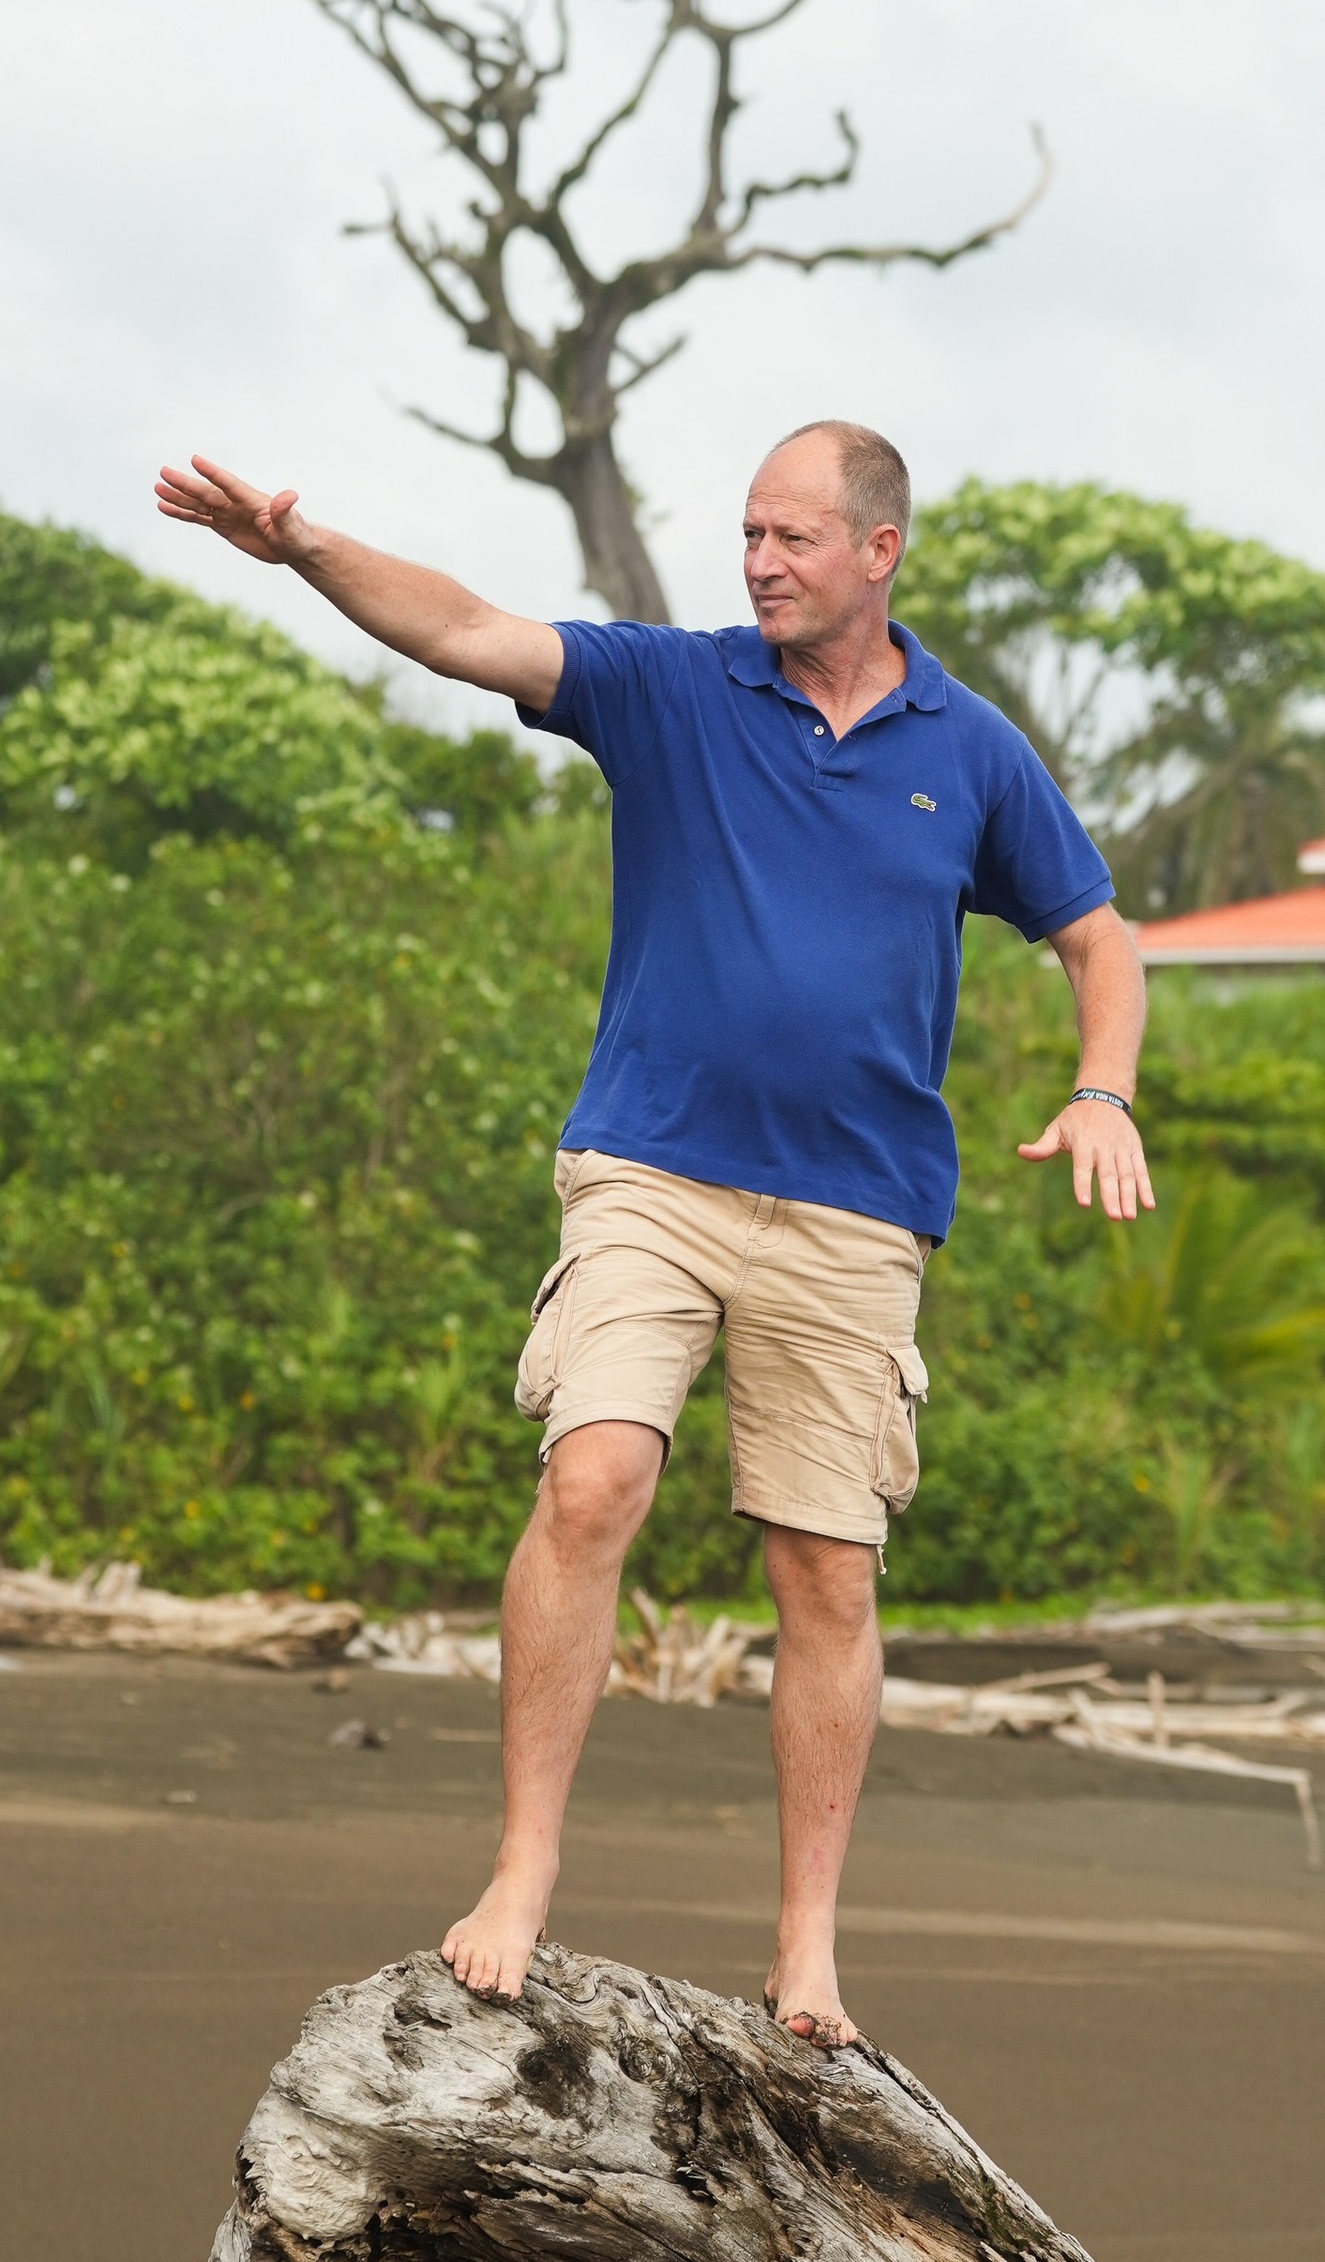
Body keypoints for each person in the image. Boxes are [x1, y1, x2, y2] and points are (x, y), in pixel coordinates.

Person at [156, 421, 1154, 2049]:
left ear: (879, 552)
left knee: (826, 1570)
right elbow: (468, 627)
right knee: (594, 1473)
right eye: (749, 534)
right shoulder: (678, 691)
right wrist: (305, 549)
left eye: (793, 538)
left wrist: (1103, 1088)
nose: (758, 562)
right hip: (655, 1170)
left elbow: (1099, 939)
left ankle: (809, 1951)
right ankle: (524, 1870)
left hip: (856, 1212)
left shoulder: (966, 750)